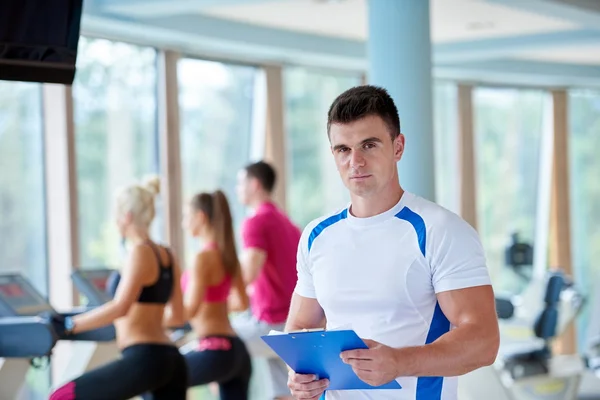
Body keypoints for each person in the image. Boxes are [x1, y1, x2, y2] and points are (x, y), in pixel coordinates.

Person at [285, 85, 500, 400]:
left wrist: (400, 362)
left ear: (398, 147)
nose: (355, 161)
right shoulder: (317, 236)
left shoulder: (440, 230)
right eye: (342, 149)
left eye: (368, 145)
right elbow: (301, 327)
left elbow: (483, 341)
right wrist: (299, 375)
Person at [49, 177, 188, 400]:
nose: (115, 221)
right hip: (171, 359)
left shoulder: (139, 252)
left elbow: (120, 307)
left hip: (145, 358)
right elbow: (178, 316)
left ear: (127, 217)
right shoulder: (168, 255)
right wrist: (144, 320)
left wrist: (68, 325)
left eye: (116, 215)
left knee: (62, 396)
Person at [233, 160, 302, 400]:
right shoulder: (288, 224)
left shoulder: (255, 222)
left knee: (217, 340)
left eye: (240, 183)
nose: (237, 189)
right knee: (283, 393)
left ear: (255, 184)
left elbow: (247, 274)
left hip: (272, 325)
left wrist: (218, 299)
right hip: (293, 321)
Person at [180, 190, 253, 399]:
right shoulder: (228, 256)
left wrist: (155, 315)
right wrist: (213, 306)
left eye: (186, 217)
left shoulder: (202, 258)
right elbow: (241, 303)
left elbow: (189, 310)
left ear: (200, 217)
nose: (184, 223)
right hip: (237, 351)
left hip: (215, 349)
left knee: (157, 379)